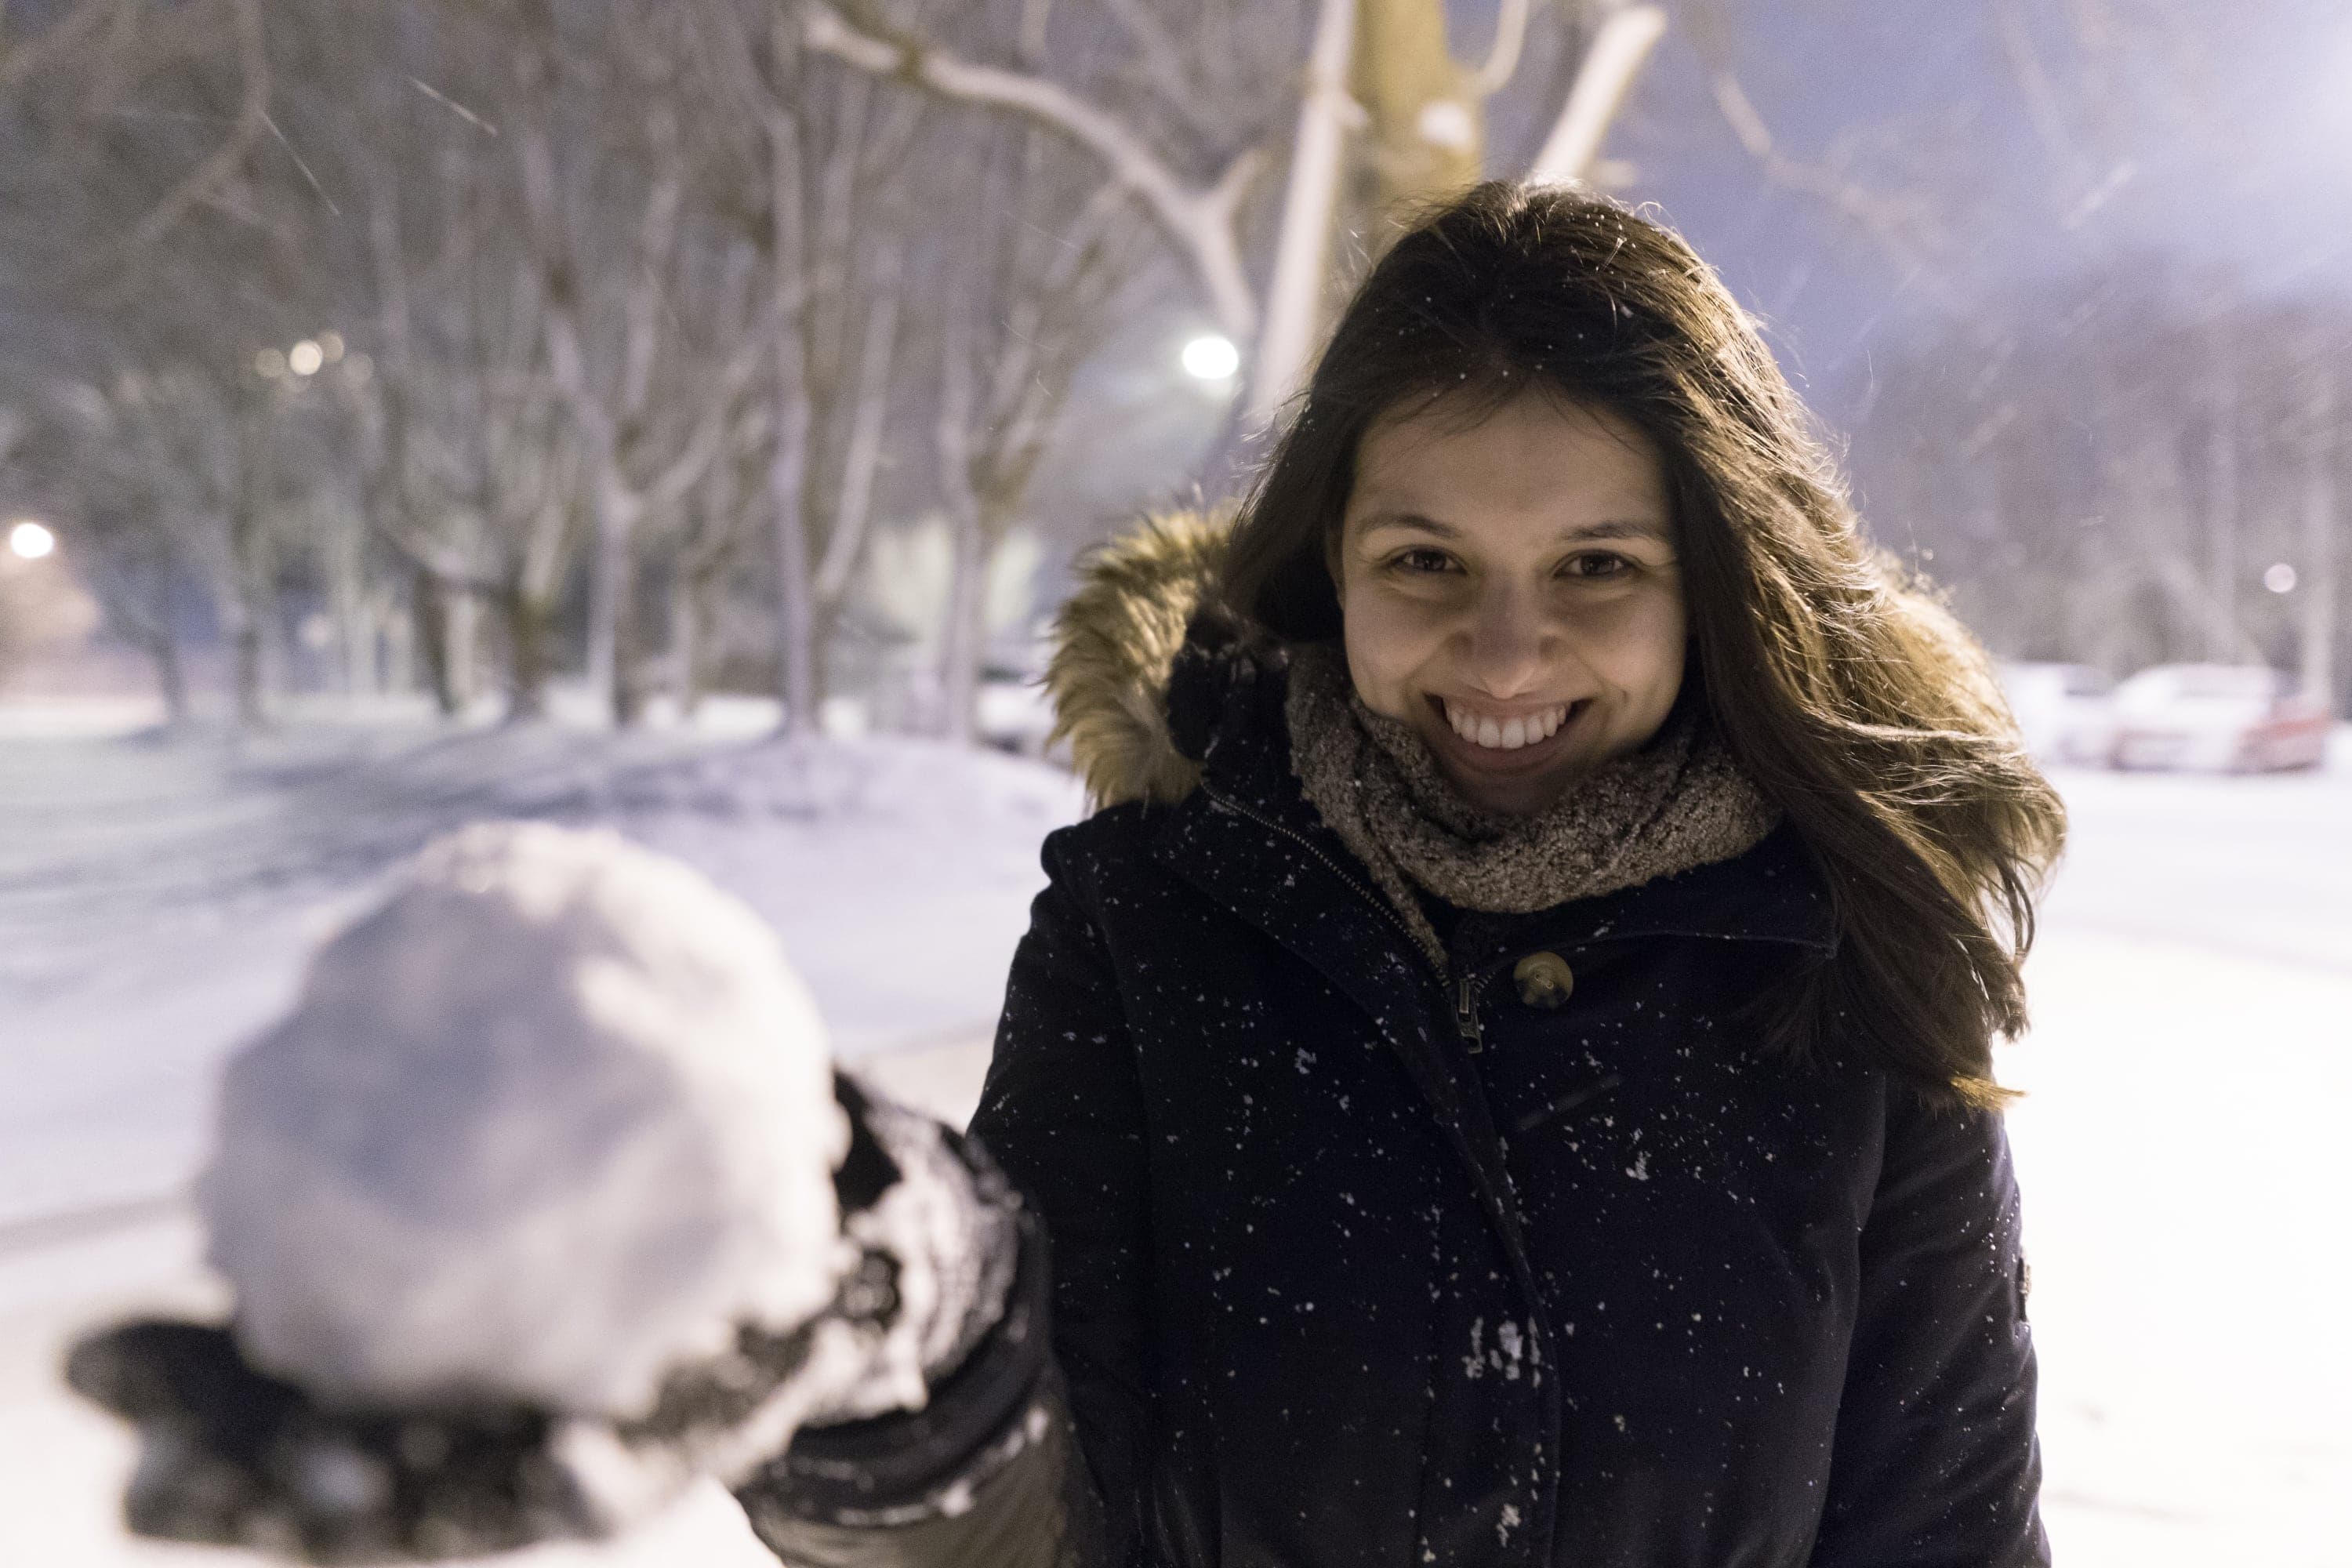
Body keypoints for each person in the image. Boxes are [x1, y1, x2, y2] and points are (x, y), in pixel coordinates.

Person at [72, 182, 2060, 1568]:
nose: (1506, 650)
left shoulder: (1857, 970)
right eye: (1427, 561)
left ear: (1717, 584)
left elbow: (1945, 1537)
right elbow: (1023, 1487)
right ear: (1331, 565)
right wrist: (848, 1288)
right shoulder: (1156, 922)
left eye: (1598, 568)